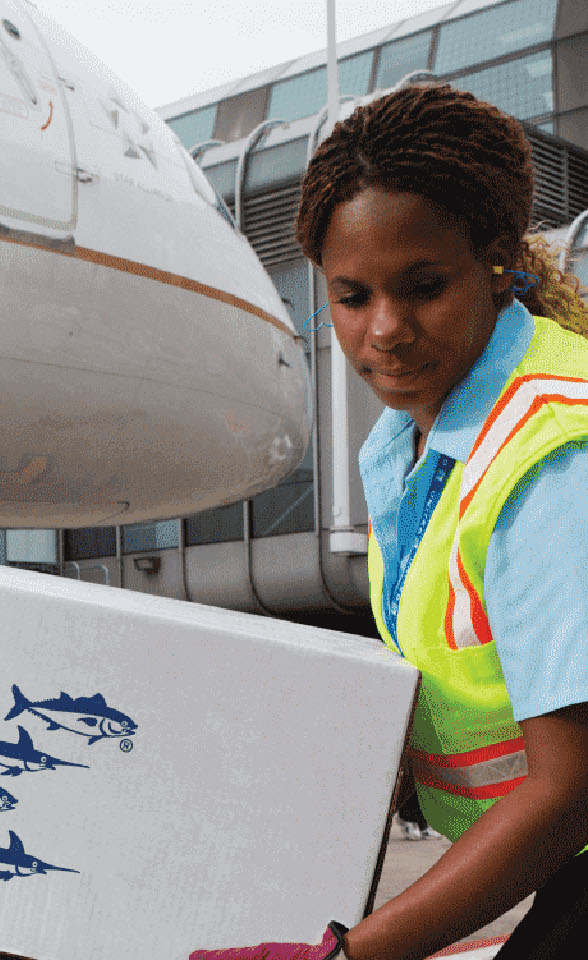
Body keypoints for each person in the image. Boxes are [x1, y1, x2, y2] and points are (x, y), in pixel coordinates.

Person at [189, 82, 588, 960]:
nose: (386, 330)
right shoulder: (409, 447)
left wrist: (349, 956)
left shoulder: (553, 453)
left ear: (498, 261)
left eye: (424, 286)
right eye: (353, 295)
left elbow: (571, 789)